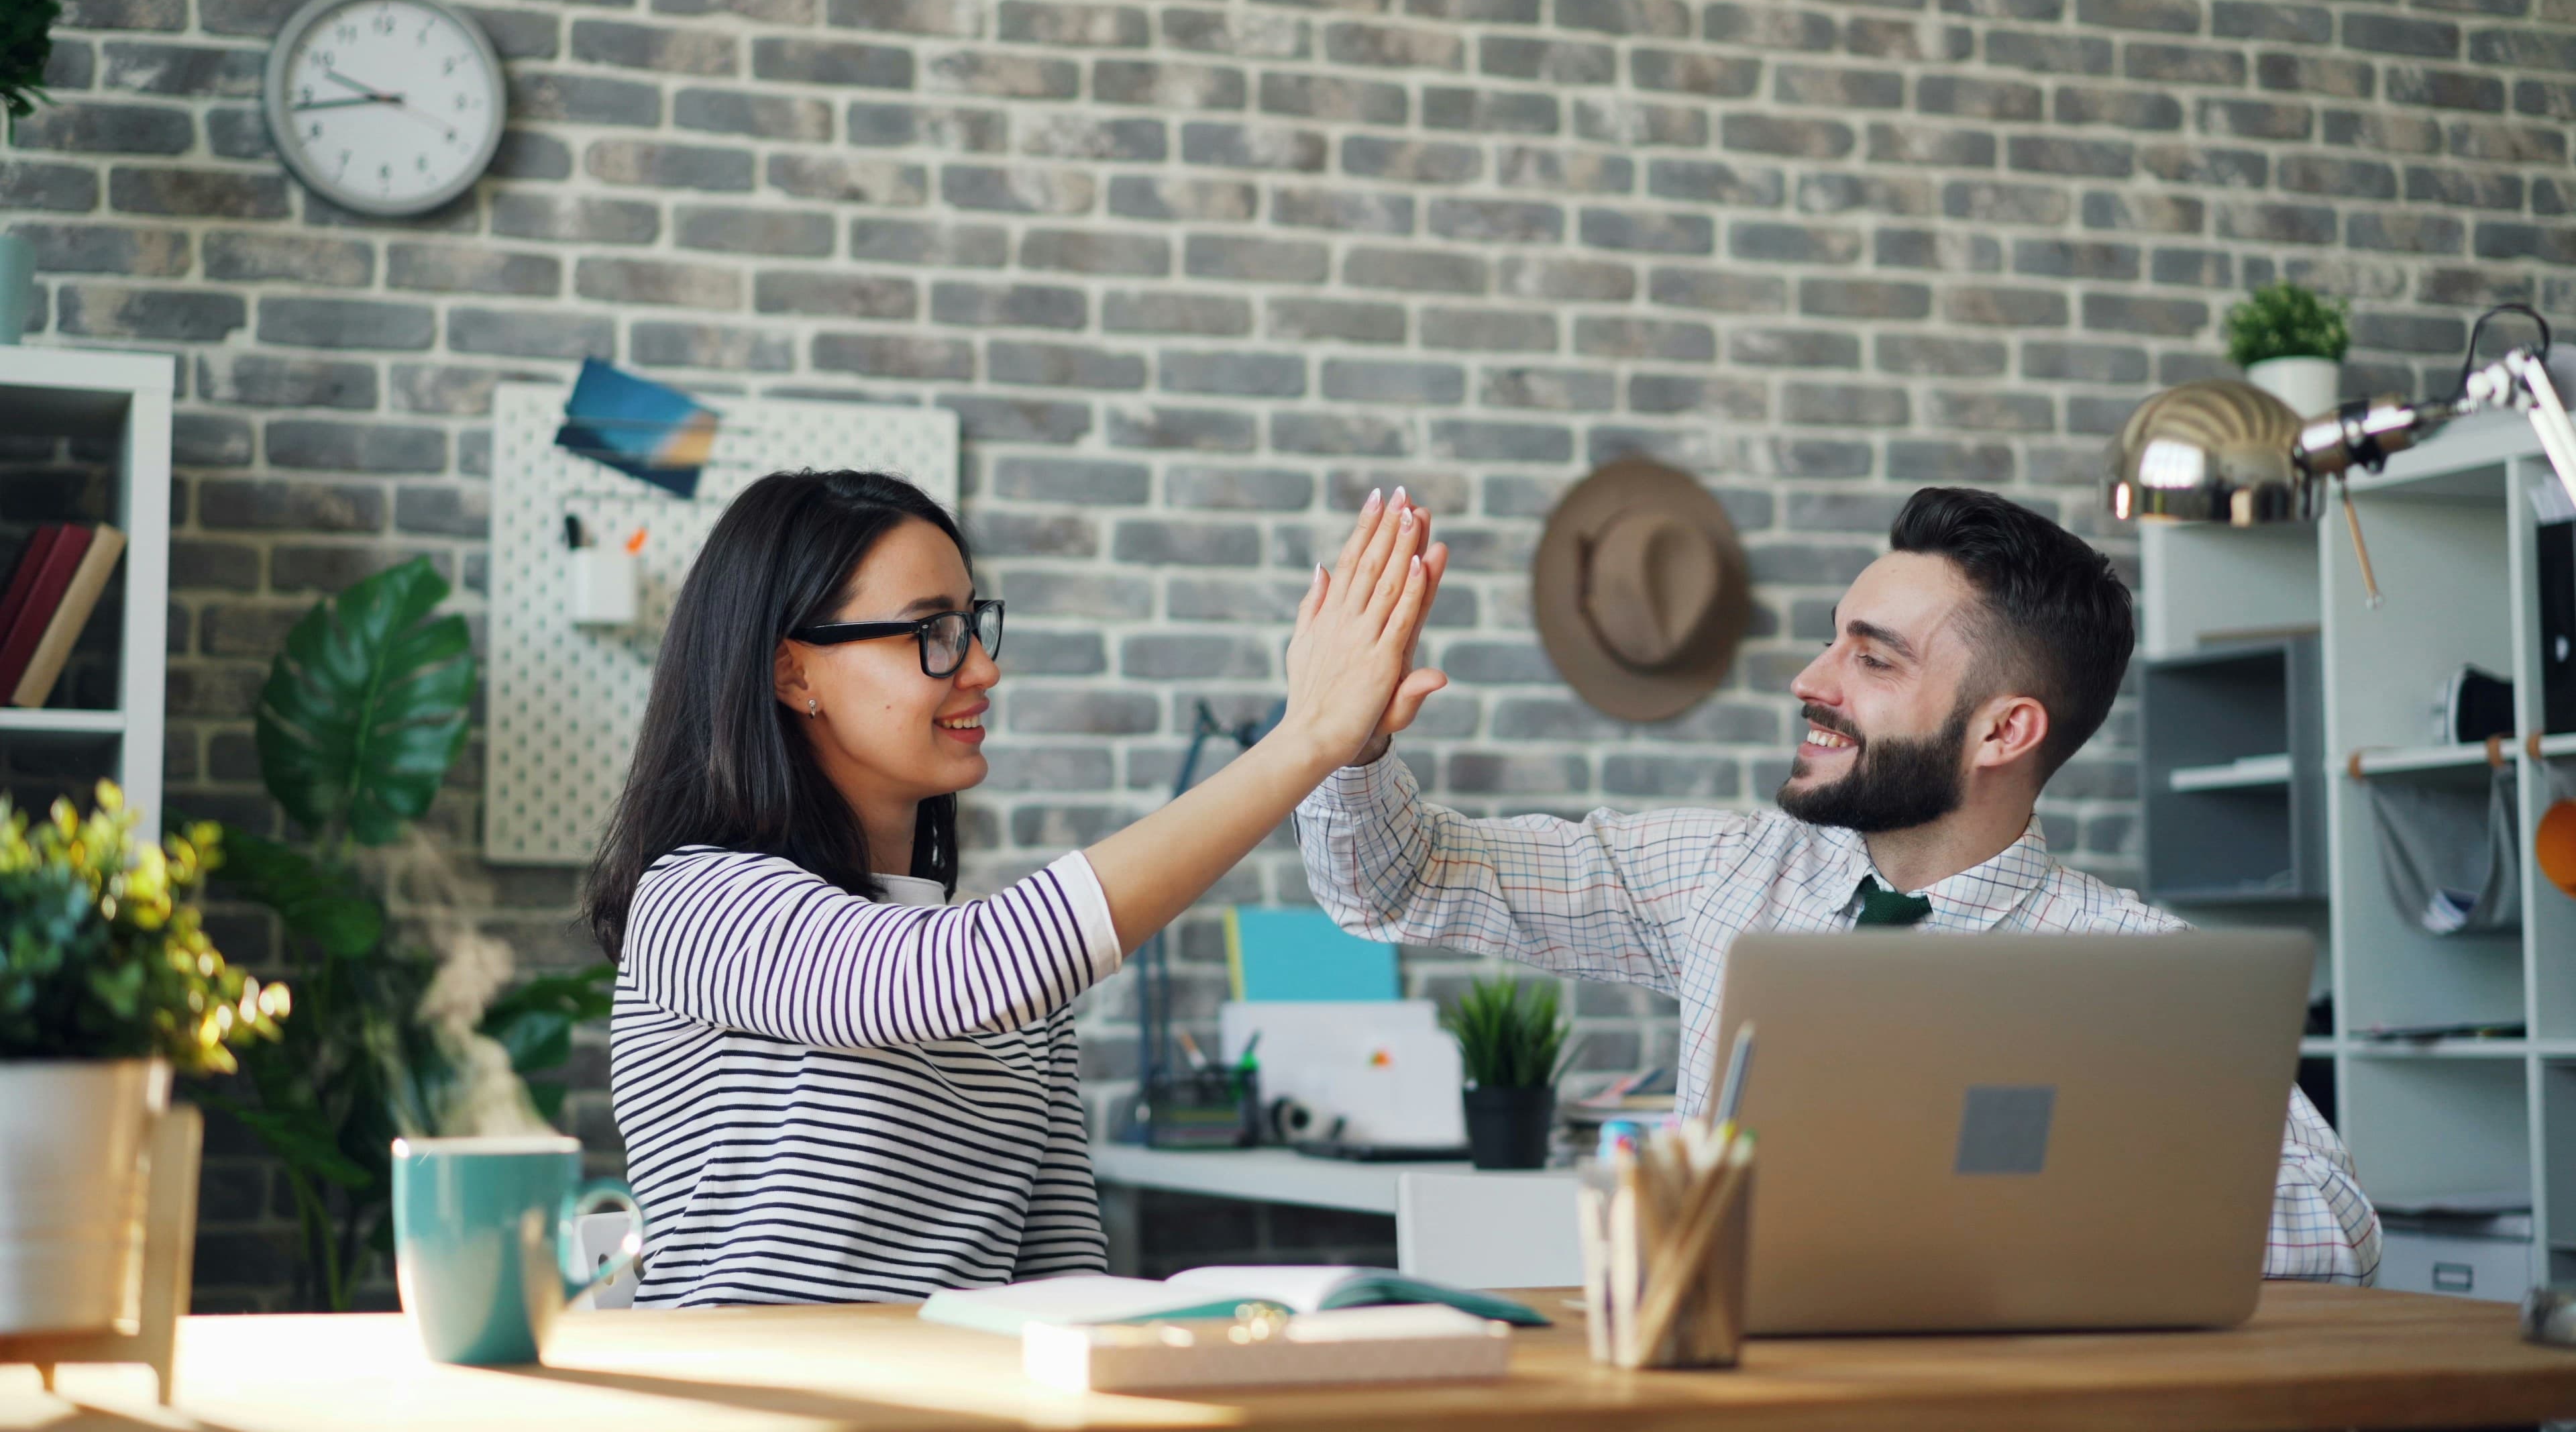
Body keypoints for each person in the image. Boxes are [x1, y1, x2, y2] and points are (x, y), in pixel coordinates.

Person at [1295, 485, 2382, 1284]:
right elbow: (1400, 881)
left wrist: (2018, 1205)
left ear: (2006, 729)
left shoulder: (2139, 968)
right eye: (1831, 643)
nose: (1811, 683)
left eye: (1874, 659)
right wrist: (1343, 746)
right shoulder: (1721, 877)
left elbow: (2336, 1230)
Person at [583, 471, 1441, 1307]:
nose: (982, 669)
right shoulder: (694, 903)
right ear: (794, 674)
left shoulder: (1017, 988)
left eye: (974, 625)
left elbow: (1061, 1280)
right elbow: (939, 978)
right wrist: (1304, 743)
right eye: (933, 632)